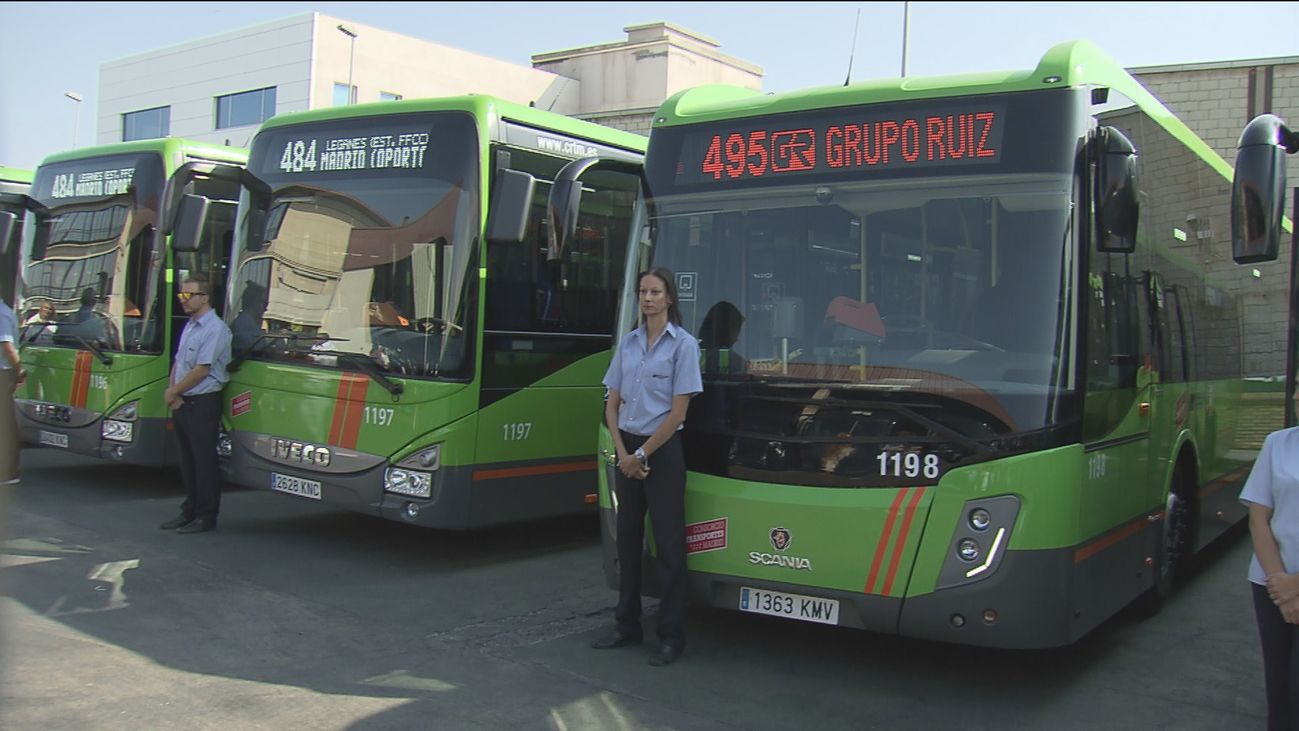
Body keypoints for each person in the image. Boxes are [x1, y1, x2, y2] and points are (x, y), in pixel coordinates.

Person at [590, 267, 702, 667]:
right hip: (629, 449)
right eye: (642, 291)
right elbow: (612, 403)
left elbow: (677, 413)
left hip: (663, 451)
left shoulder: (684, 346)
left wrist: (642, 456)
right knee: (628, 540)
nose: (647, 298)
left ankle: (671, 635)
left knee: (670, 547)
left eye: (655, 291)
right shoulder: (630, 343)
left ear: (670, 298)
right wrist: (624, 453)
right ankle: (627, 624)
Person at [1242, 388, 1299, 731]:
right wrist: (1281, 583)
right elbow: (1258, 516)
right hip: (1269, 584)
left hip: (1287, 586)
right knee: (1278, 687)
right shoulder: (1277, 443)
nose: (1297, 397)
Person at [159, 277, 231, 534]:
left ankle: (206, 514)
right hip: (182, 400)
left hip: (203, 401)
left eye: (189, 295)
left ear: (205, 297)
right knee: (187, 460)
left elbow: (202, 370)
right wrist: (172, 391)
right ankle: (189, 510)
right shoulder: (190, 326)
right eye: (182, 295)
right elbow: (179, 363)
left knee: (204, 461)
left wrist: (175, 391)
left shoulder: (216, 329)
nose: (183, 300)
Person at [0, 290, 26, 485]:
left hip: (3, 372)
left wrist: (19, 370)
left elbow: (7, 347)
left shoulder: (1, 314)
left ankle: (8, 472)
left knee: (5, 425)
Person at [231, 282, 269, 357]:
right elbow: (261, 351)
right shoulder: (243, 326)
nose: (266, 309)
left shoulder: (249, 324)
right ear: (253, 302)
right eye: (264, 304)